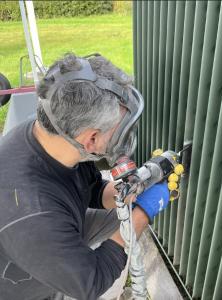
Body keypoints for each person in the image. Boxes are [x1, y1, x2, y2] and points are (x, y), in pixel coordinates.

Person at [0, 53, 169, 300]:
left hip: (53, 231)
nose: (123, 136)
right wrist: (143, 213)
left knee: (120, 214)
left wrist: (137, 188)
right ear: (91, 139)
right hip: (23, 286)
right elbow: (91, 283)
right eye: (119, 129)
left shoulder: (55, 139)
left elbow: (92, 190)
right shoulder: (32, 214)